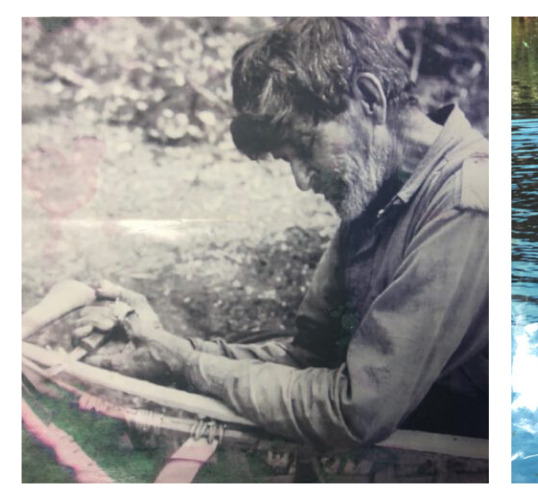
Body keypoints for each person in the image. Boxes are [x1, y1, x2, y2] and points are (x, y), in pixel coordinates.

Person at [74, 18, 488, 450]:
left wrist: (188, 363)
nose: (302, 183)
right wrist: (165, 351)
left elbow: (355, 410)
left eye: (307, 149)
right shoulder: (380, 186)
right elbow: (307, 359)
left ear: (370, 100)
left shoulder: (469, 201)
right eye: (287, 160)